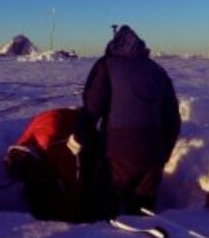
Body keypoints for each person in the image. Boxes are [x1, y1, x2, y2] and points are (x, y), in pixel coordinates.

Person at [75, 25, 181, 216]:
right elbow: (172, 119)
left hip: (119, 153)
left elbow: (92, 107)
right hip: (154, 154)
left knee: (103, 207)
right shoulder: (158, 70)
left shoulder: (107, 64)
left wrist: (80, 137)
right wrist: (162, 154)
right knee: (143, 212)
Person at [4, 107, 99, 222]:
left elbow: (73, 177)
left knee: (91, 173)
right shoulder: (20, 148)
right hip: (49, 119)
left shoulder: (53, 149)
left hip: (79, 124)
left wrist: (72, 214)